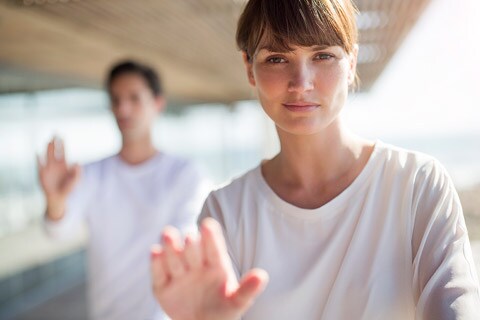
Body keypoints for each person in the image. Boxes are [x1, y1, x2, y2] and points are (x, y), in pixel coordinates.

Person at [150, 0, 480, 319]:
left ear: (351, 63)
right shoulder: (227, 211)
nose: (301, 82)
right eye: (277, 59)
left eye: (322, 55)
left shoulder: (416, 185)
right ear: (249, 68)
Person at [38, 60, 210, 320]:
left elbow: (187, 238)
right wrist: (55, 200)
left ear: (158, 103)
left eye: (134, 98)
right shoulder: (90, 174)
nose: (123, 108)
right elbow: (58, 232)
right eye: (116, 99)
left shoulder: (184, 174)